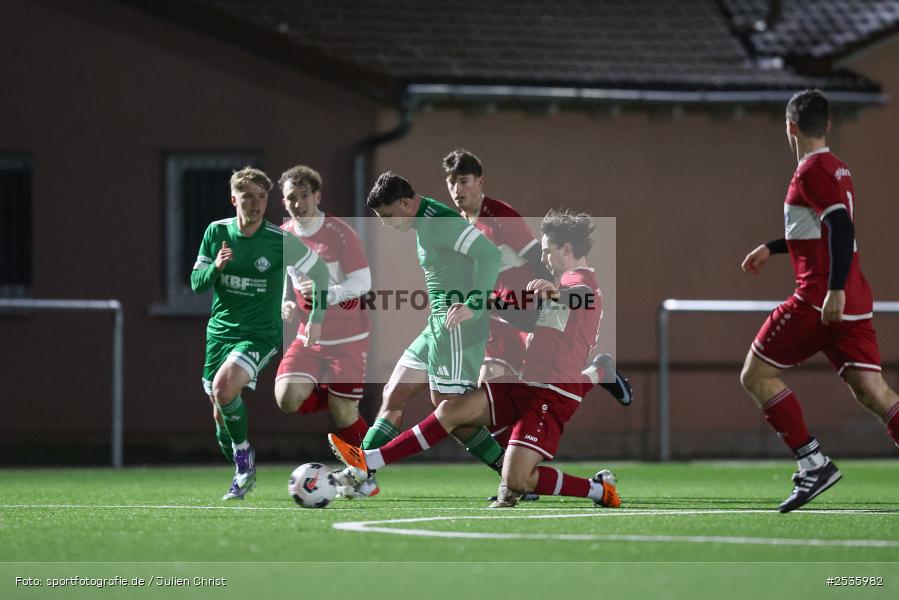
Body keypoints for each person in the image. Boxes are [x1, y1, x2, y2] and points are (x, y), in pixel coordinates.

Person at [329, 210, 621, 509]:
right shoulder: (563, 283)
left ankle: (597, 489)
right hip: (527, 385)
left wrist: (555, 292)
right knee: (451, 410)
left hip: (551, 393)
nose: (544, 258)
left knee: (518, 479)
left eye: (548, 251)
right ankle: (367, 462)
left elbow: (579, 297)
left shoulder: (581, 282)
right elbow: (527, 317)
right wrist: (481, 303)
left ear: (567, 249)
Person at [739, 89, 899, 513]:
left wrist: (833, 288)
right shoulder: (837, 167)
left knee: (756, 376)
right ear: (827, 125)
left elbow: (841, 229)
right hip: (855, 298)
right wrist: (774, 248)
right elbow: (823, 231)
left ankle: (813, 464)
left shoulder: (809, 171)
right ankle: (814, 464)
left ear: (790, 127)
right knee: (873, 391)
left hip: (819, 298)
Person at [191, 166, 329, 500]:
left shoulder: (279, 241)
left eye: (262, 197)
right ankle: (242, 463)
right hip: (219, 335)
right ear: (233, 198)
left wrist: (316, 320)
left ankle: (242, 463)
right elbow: (197, 285)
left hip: (260, 335)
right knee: (220, 414)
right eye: (248, 196)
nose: (256, 204)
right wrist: (217, 268)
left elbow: (321, 272)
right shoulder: (216, 233)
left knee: (225, 389)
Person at [360, 171, 507, 479]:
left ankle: (513, 472)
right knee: (394, 393)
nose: (385, 224)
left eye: (387, 216)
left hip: (456, 327)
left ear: (404, 202)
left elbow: (490, 255)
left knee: (449, 412)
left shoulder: (439, 222)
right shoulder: (422, 221)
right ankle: (359, 469)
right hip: (436, 325)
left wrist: (474, 304)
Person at [274, 165, 376, 497]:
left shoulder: (340, 233)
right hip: (308, 336)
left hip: (347, 336)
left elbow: (363, 283)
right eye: (291, 198)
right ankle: (335, 398)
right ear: (284, 201)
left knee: (344, 411)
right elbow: (287, 279)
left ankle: (366, 474)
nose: (298, 204)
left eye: (304, 197)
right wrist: (286, 303)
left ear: (317, 197)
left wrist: (325, 295)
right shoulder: (283, 233)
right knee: (287, 398)